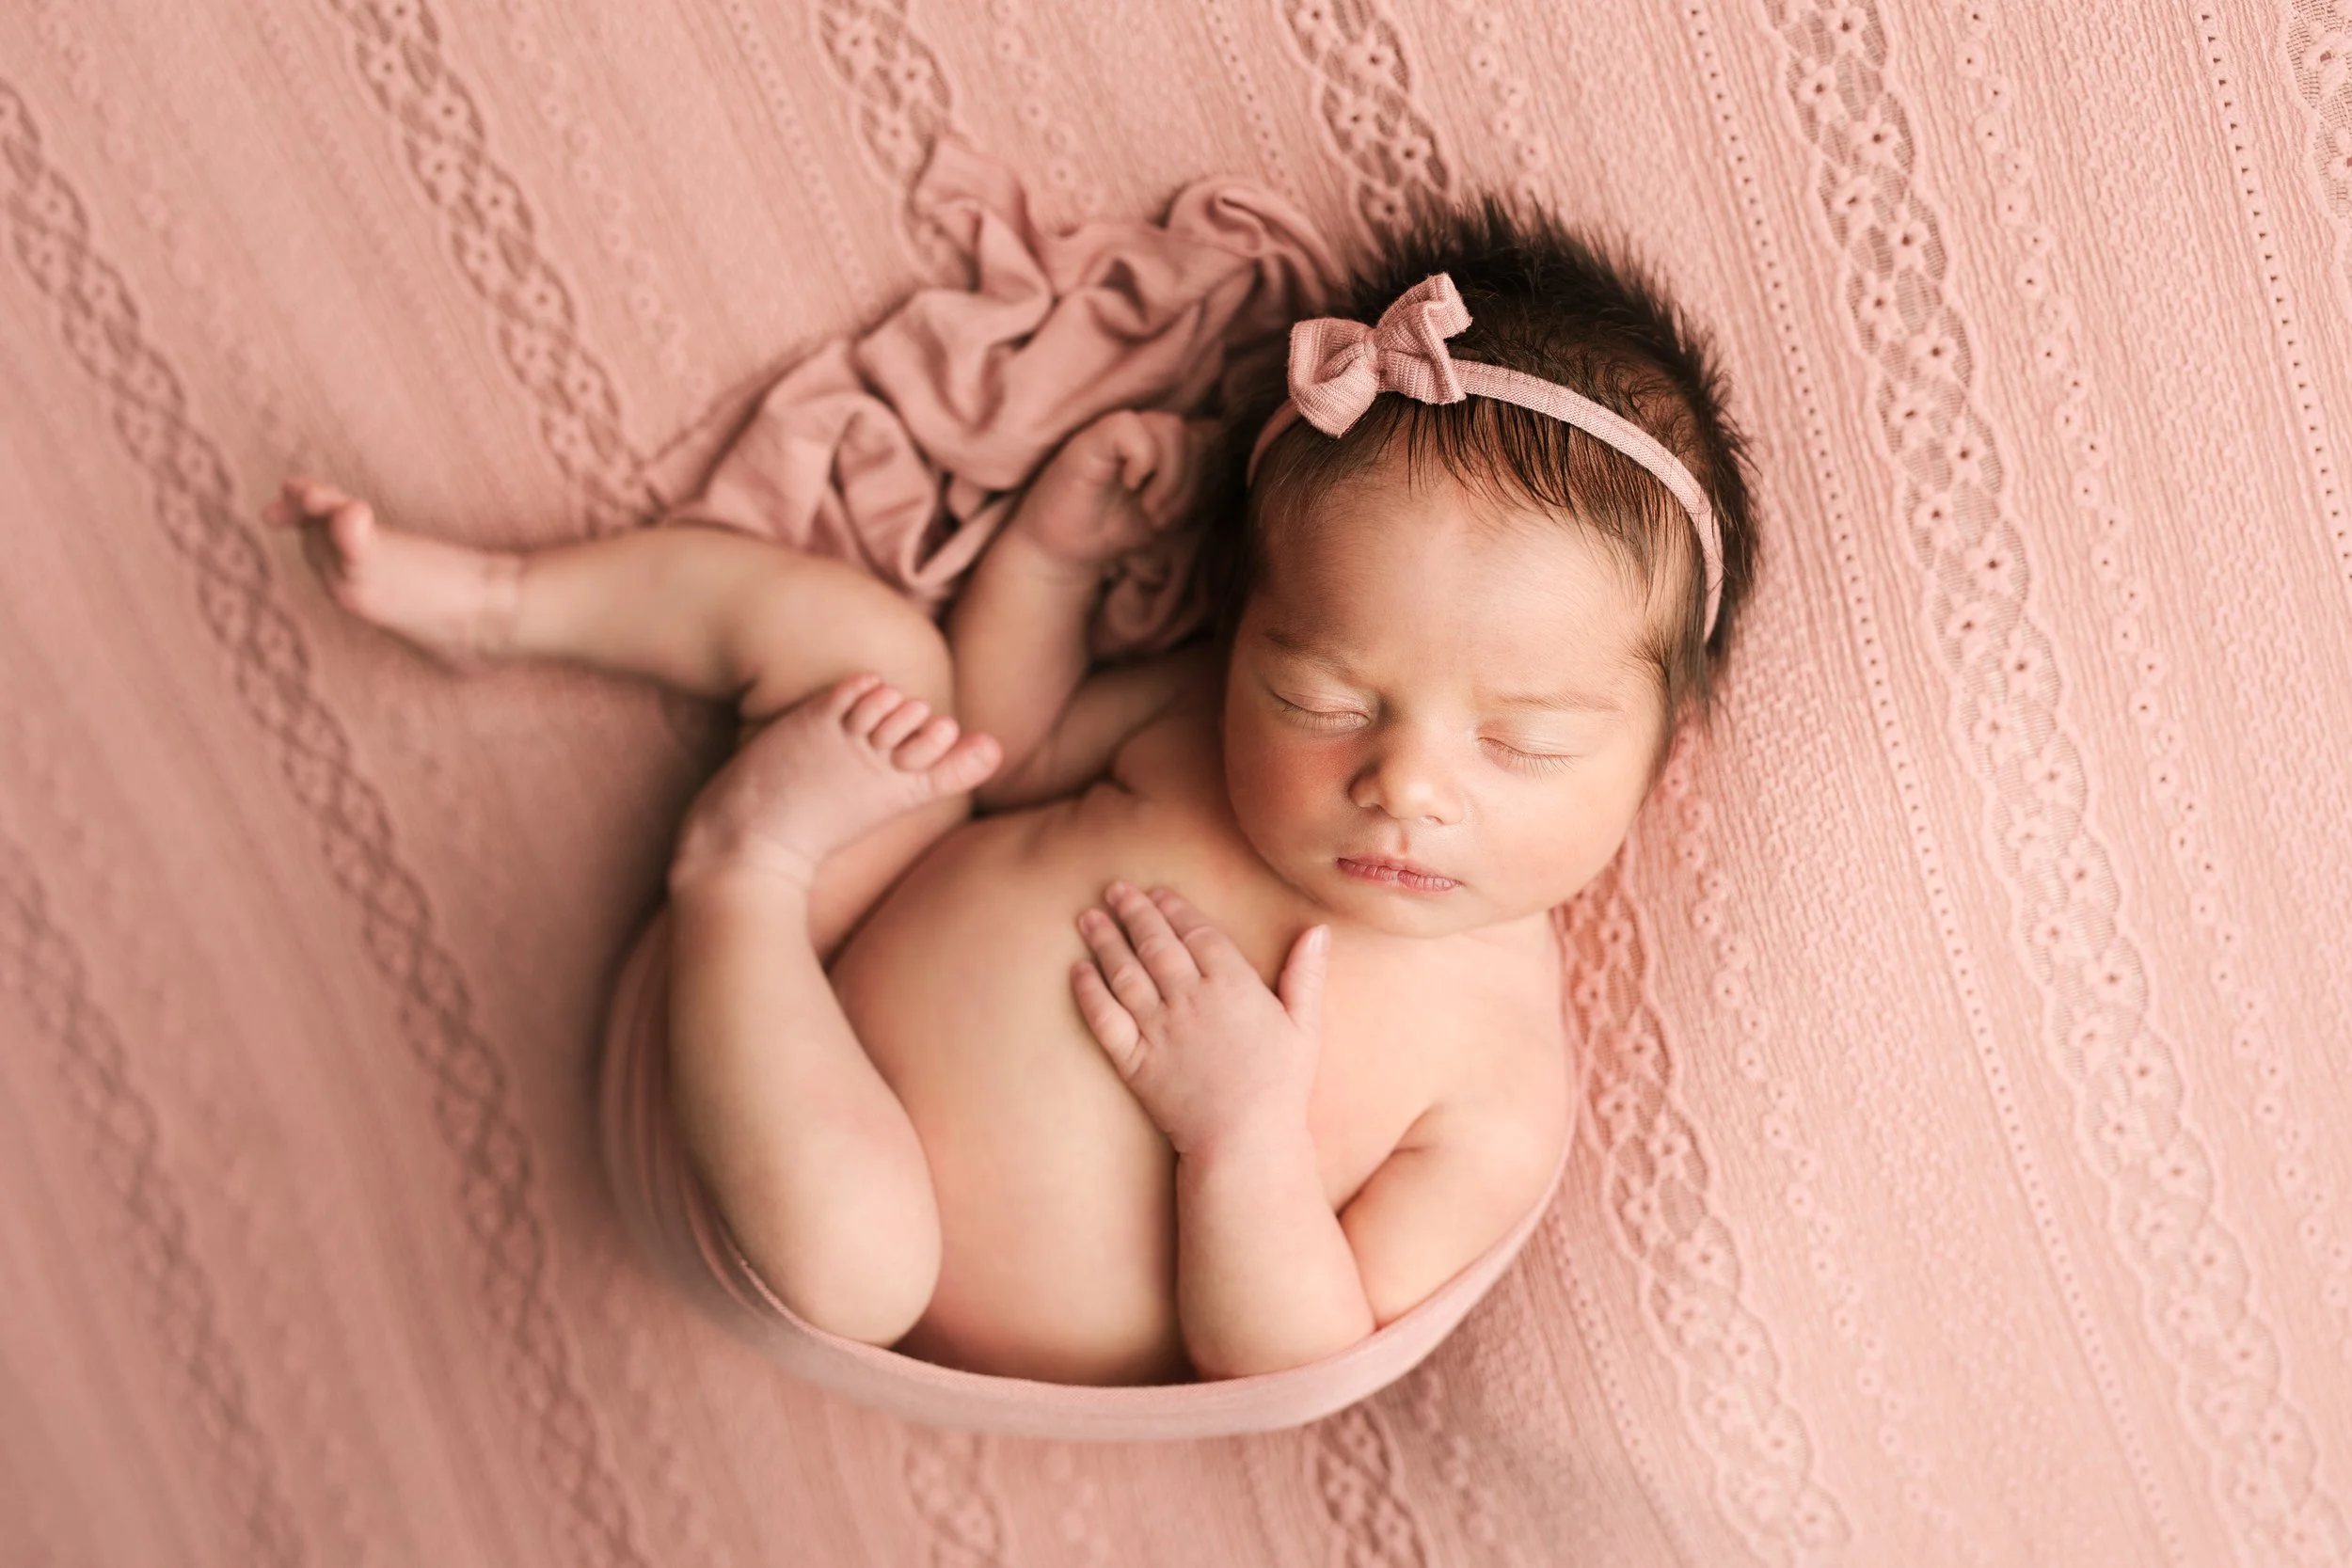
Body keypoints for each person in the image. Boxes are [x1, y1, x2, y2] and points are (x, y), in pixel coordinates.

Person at [266, 198, 1756, 1386]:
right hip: (797, 977)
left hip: (835, 1244)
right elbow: (995, 745)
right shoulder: (1191, 730)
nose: (1402, 780)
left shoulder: (1496, 1080)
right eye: (1321, 693)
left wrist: (1238, 1132)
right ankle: (500, 600)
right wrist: (1048, 563)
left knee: (863, 1247)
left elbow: (1295, 1355)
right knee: (871, 656)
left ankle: (736, 866)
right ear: (1245, 635)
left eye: (1528, 744)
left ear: (1657, 754)